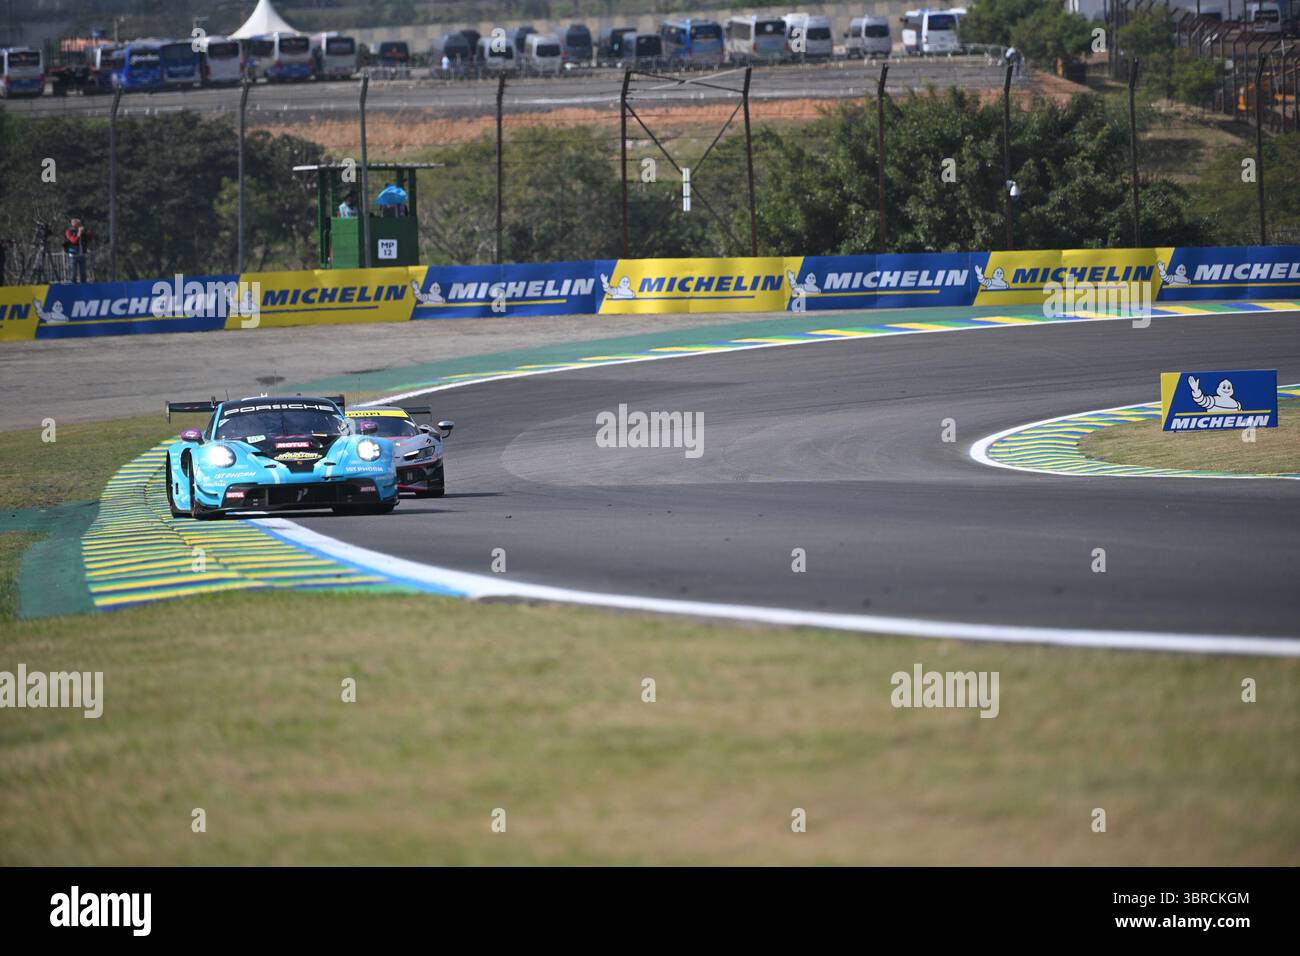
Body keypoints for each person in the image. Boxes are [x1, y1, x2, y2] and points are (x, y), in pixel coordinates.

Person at [64, 218, 89, 283]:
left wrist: (86, 232)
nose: (80, 225)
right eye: (78, 224)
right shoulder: (69, 231)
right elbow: (73, 241)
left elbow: (89, 238)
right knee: (73, 274)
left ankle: (84, 287)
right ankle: (73, 288)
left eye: (80, 224)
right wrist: (79, 233)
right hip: (73, 255)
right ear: (74, 225)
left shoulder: (82, 231)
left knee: (83, 274)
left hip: (82, 254)